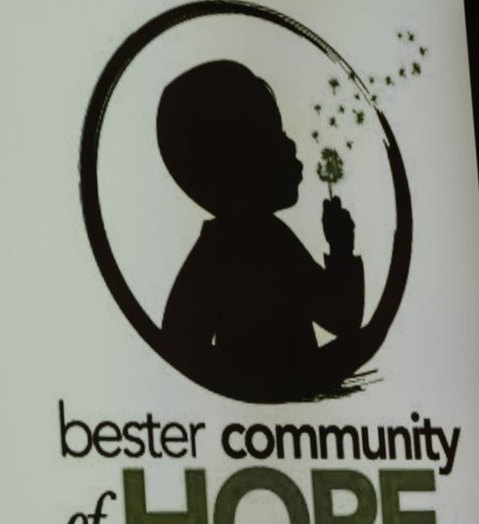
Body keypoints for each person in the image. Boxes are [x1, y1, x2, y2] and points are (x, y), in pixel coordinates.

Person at [156, 60, 364, 402]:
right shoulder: (264, 244)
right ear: (238, 161)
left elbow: (177, 343)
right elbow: (343, 317)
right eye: (275, 137)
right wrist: (341, 248)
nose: (291, 146)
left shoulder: (231, 244)